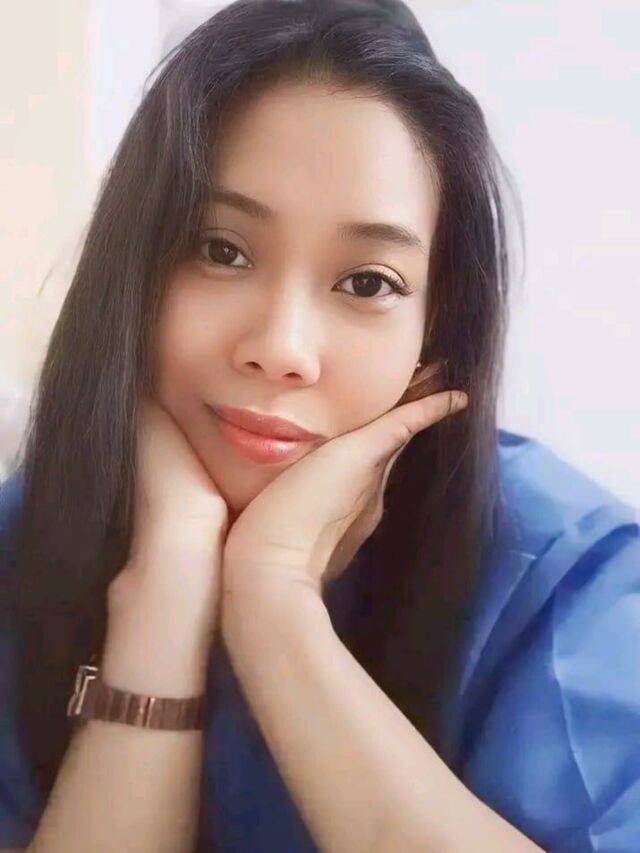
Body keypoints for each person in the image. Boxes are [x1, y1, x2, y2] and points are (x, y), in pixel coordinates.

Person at [1, 1, 638, 850]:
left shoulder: (574, 584)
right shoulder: (26, 539)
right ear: (136, 268)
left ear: (435, 333)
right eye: (221, 250)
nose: (281, 348)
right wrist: (163, 596)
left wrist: (275, 608)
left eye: (368, 283)